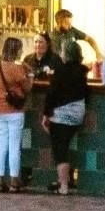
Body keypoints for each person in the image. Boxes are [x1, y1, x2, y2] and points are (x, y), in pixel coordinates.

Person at [41, 40, 89, 195]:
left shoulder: (60, 71)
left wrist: (46, 114)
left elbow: (52, 94)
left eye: (61, 51)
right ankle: (64, 179)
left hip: (61, 115)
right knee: (65, 144)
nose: (60, 53)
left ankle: (63, 186)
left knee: (60, 149)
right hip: (77, 114)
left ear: (66, 54)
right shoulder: (82, 71)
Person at [0, 36, 33, 193]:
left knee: (1, 144)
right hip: (15, 111)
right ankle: (15, 180)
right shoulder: (17, 69)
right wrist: (31, 74)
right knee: (14, 145)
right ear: (16, 50)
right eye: (20, 49)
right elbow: (27, 88)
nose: (22, 51)